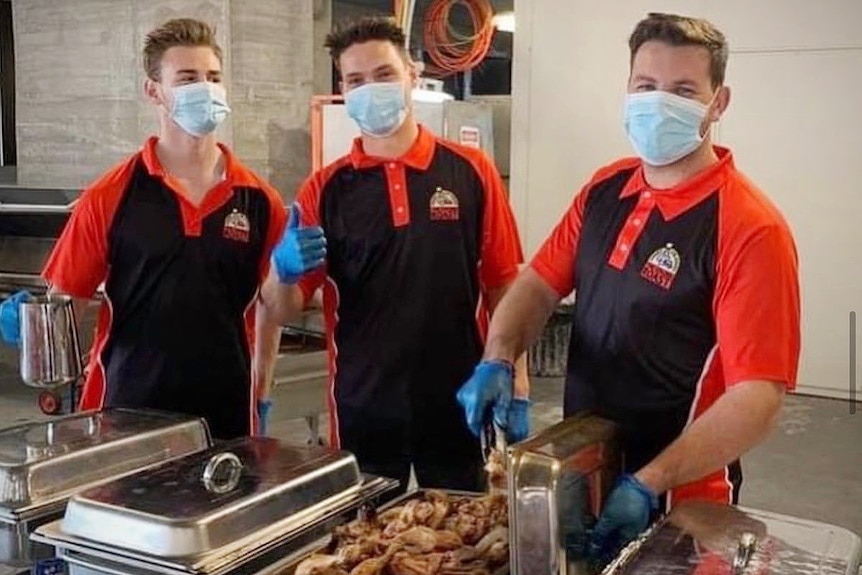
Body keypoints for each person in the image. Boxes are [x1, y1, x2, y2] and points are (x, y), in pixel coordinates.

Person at [456, 11, 801, 564]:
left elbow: (756, 397)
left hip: (683, 499)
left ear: (719, 102)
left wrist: (649, 481)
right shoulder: (606, 189)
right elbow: (539, 284)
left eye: (683, 90)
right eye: (646, 87)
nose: (658, 102)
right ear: (627, 89)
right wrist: (498, 357)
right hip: (583, 470)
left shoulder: (747, 226)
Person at [257, 16, 529, 495]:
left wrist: (517, 380)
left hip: (461, 399)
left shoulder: (470, 171)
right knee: (365, 548)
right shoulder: (325, 189)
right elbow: (283, 309)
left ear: (411, 74)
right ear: (342, 89)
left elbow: (505, 285)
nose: (370, 89)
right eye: (355, 80)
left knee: (461, 544)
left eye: (383, 74)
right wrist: (281, 273)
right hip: (363, 402)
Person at [0, 18, 287, 439]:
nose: (204, 89)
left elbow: (271, 310)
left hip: (226, 418)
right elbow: (65, 306)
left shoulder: (260, 200)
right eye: (187, 79)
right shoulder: (110, 195)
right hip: (124, 417)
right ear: (153, 90)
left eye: (213, 78)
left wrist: (260, 392)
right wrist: (30, 325)